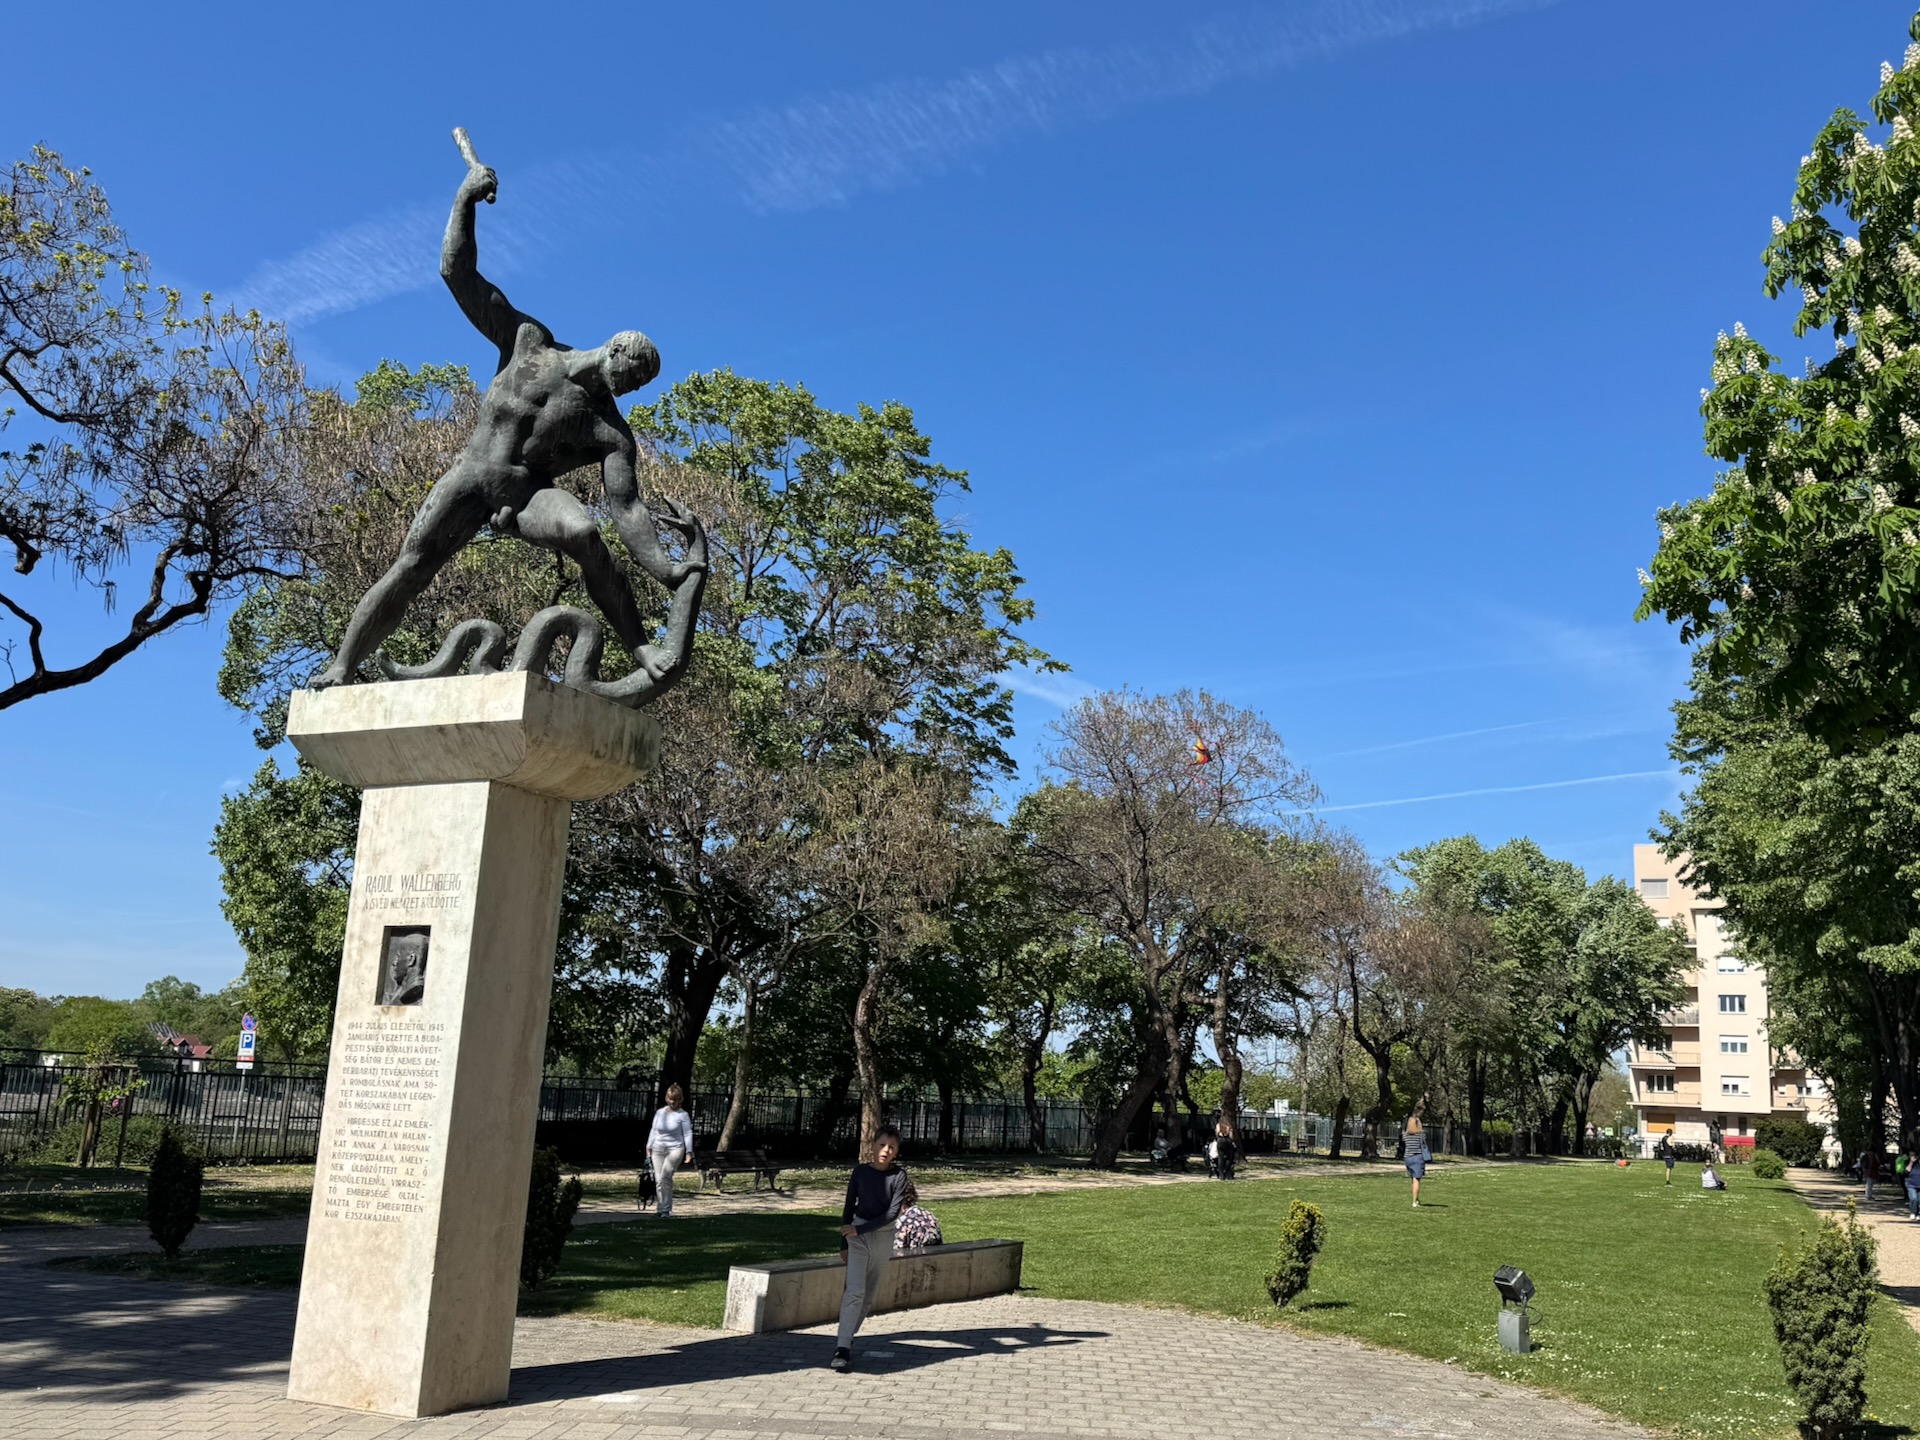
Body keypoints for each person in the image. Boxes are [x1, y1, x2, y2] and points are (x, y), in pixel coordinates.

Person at [313, 136, 704, 691]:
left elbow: (629, 511)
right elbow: (457, 274)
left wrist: (666, 570)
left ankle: (638, 645)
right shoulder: (529, 343)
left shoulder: (610, 432)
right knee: (412, 566)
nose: (633, 387)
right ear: (616, 349)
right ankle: (342, 665)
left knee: (587, 535)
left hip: (526, 497)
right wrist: (464, 201)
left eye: (640, 384)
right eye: (634, 374)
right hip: (472, 476)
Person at [832, 1124, 913, 1373]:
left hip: (882, 1236)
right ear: (873, 1145)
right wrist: (844, 1241)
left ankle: (849, 1335)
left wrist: (861, 1231)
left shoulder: (899, 1177)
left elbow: (891, 1214)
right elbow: (848, 1207)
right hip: (857, 1235)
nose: (885, 1151)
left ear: (896, 1152)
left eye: (891, 1147)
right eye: (881, 1145)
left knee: (867, 1297)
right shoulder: (860, 1172)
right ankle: (842, 1347)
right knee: (854, 1291)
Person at [646, 1084, 694, 1218]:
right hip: (658, 1148)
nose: (673, 1102)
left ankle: (666, 1209)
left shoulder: (683, 1115)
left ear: (680, 1100)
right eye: (671, 1099)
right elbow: (654, 1130)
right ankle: (660, 1208)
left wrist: (689, 1151)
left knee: (665, 1177)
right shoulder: (660, 1113)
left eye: (676, 1099)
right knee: (658, 1179)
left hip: (675, 1148)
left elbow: (687, 1134)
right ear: (667, 1098)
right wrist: (648, 1146)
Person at [1404, 1115, 1431, 1207]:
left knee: (1413, 1179)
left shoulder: (1405, 1135)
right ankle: (1414, 1201)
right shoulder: (1421, 1135)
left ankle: (1417, 1198)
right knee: (1417, 1179)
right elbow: (1423, 1144)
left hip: (1407, 1157)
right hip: (1417, 1157)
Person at [1906, 1149, 1920, 1220]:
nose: (1913, 1157)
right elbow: (1906, 1171)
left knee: (1918, 1200)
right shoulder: (1907, 1162)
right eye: (1911, 1156)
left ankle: (1918, 1213)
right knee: (1913, 1198)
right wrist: (1911, 1162)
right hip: (1911, 1184)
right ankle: (1913, 1212)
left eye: (1914, 1156)